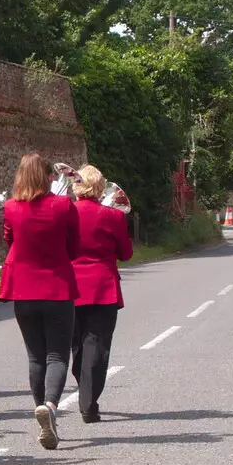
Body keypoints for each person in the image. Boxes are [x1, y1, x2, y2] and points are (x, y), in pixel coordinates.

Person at [0, 152, 79, 451]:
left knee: (35, 356)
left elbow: (10, 241)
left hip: (23, 288)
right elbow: (74, 245)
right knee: (57, 355)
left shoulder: (11, 207)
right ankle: (50, 406)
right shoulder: (62, 205)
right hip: (57, 286)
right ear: (47, 177)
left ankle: (41, 412)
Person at [70, 165, 133, 423]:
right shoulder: (113, 216)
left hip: (69, 287)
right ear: (99, 188)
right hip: (102, 287)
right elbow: (126, 253)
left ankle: (85, 392)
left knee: (76, 346)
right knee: (97, 346)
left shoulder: (65, 212)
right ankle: (88, 401)